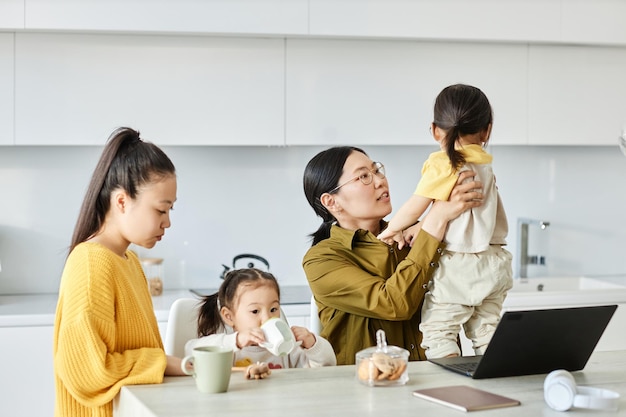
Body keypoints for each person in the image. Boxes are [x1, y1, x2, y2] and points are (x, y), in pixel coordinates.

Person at [302, 145, 483, 365]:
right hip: (367, 387)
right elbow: (394, 303)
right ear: (331, 201)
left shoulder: (417, 234)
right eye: (363, 177)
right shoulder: (321, 260)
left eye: (376, 170)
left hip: (439, 376)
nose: (380, 181)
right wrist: (435, 220)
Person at [53, 127, 185, 417]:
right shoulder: (91, 264)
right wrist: (163, 363)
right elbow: (86, 370)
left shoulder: (129, 261)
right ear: (122, 201)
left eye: (170, 210)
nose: (168, 222)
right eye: (161, 210)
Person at [377, 84, 513, 359]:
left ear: (435, 130)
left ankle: (448, 391)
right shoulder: (485, 165)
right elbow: (460, 214)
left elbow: (417, 205)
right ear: (486, 130)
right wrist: (420, 226)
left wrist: (393, 228)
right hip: (496, 261)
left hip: (459, 266)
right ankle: (499, 386)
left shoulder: (444, 162)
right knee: (488, 332)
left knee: (439, 333)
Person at [185, 268, 336, 371]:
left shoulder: (288, 348)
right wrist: (236, 341)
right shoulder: (229, 349)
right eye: (255, 311)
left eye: (273, 309)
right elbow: (190, 351)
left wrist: (312, 344)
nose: (266, 318)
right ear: (229, 317)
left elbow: (327, 367)